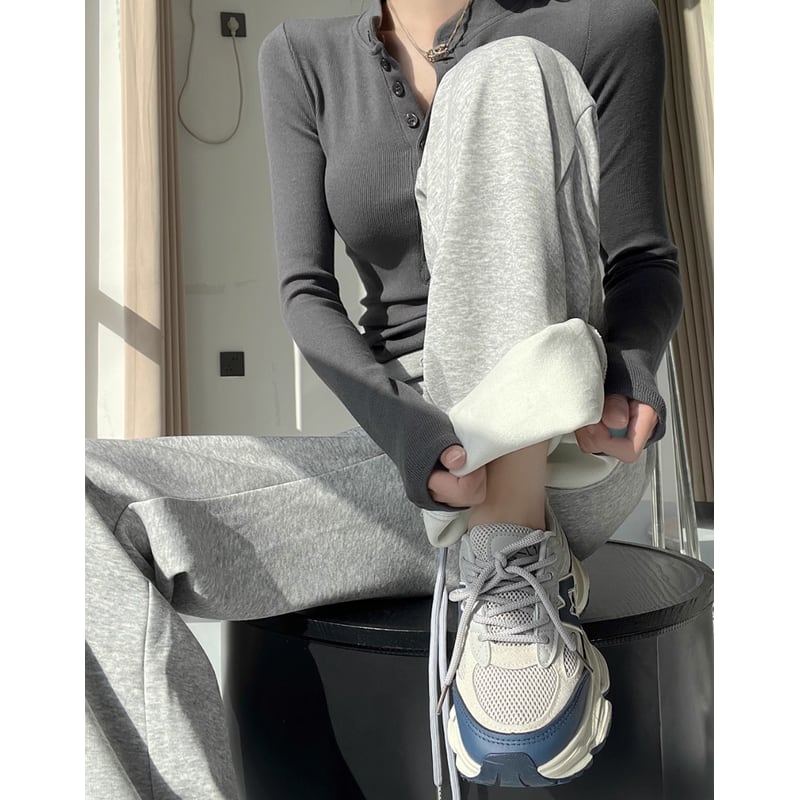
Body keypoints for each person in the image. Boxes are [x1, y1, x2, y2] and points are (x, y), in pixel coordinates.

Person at [85, 1, 682, 797]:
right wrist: (408, 436)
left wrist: (632, 364)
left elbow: (642, 261)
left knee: (504, 74)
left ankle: (509, 569)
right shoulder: (300, 56)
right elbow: (306, 292)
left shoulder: (605, 29)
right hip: (415, 452)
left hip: (561, 442)